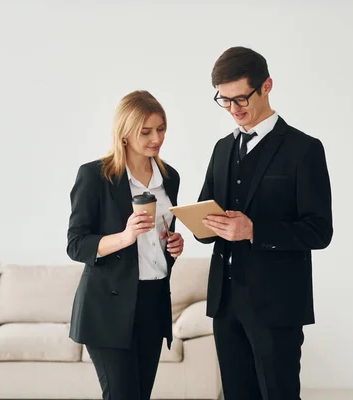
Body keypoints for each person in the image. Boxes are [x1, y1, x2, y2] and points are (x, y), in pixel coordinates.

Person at [197, 46, 333, 400]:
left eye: (241, 97)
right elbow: (205, 214)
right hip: (225, 302)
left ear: (267, 86)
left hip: (278, 304)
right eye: (224, 100)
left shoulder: (304, 150)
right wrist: (199, 225)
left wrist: (254, 230)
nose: (234, 109)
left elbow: (320, 231)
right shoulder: (221, 149)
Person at [66, 90, 184, 400]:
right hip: (108, 307)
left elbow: (159, 241)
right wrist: (125, 237)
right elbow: (76, 244)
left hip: (153, 300)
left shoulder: (169, 177)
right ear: (125, 134)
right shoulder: (95, 176)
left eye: (161, 129)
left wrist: (173, 245)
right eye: (145, 131)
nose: (156, 138)